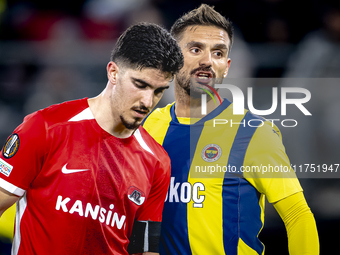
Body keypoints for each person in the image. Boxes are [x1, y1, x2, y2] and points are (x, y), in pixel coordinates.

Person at [142, 4, 319, 255]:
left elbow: (297, 214)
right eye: (196, 49)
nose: (207, 61)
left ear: (226, 66)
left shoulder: (254, 133)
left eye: (217, 53)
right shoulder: (149, 127)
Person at [0, 22, 183, 255]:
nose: (147, 101)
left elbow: (145, 250)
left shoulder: (157, 162)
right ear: (113, 72)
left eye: (159, 91)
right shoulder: (45, 127)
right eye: (140, 85)